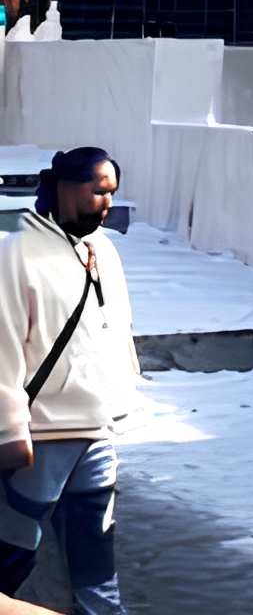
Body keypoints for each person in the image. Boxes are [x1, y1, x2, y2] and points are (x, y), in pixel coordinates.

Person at [0, 147, 137, 615]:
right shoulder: (18, 250)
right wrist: (9, 429)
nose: (107, 202)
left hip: (96, 431)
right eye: (99, 191)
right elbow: (3, 348)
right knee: (13, 552)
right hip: (42, 435)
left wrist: (123, 396)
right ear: (64, 185)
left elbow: (118, 329)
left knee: (97, 561)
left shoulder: (105, 250)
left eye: (112, 193)